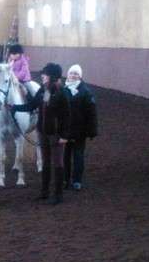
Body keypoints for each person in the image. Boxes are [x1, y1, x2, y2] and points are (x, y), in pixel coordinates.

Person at [9, 63, 71, 204]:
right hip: (43, 132)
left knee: (58, 163)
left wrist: (64, 136)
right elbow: (32, 105)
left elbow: (67, 116)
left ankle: (58, 195)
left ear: (52, 76)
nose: (42, 76)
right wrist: (15, 107)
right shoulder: (44, 90)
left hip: (56, 134)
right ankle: (45, 192)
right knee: (46, 162)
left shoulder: (62, 93)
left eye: (45, 74)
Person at [62, 65, 98, 191]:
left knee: (78, 156)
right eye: (71, 73)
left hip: (79, 131)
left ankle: (77, 180)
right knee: (65, 157)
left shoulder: (86, 92)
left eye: (76, 74)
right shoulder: (63, 90)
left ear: (80, 76)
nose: (73, 75)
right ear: (68, 75)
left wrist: (92, 130)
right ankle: (65, 179)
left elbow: (92, 113)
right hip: (65, 131)